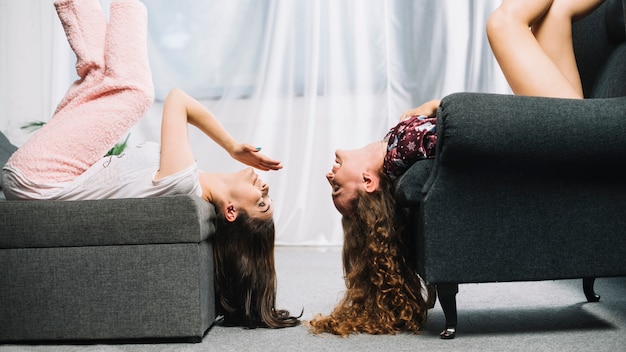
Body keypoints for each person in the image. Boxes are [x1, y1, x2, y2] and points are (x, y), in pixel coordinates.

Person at [310, 0, 605, 336]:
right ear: (367, 182)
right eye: (336, 187)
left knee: (555, 15)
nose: (328, 175)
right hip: (560, 140)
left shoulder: (396, 148)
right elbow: (464, 136)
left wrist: (433, 108)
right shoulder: (397, 154)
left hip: (568, 136)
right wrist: (440, 108)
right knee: (503, 22)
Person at [1, 0, 300, 329]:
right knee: (101, 74)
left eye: (261, 203)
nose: (265, 188)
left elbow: (177, 99)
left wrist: (231, 147)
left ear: (230, 211)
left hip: (40, 178)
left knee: (135, 91)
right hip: (41, 177)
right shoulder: (187, 182)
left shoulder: (185, 181)